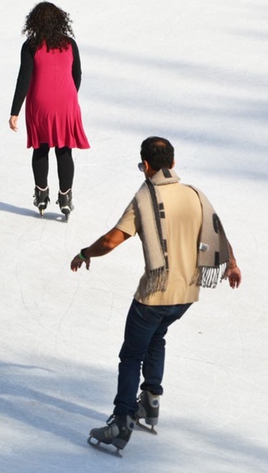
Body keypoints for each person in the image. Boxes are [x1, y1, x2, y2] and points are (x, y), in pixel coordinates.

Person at [71, 136, 241, 454]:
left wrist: (85, 253)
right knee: (156, 338)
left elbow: (111, 240)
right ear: (173, 164)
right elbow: (219, 232)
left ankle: (121, 422)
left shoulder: (144, 198)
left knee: (131, 355)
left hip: (154, 295)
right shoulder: (195, 195)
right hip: (187, 294)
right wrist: (231, 264)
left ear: (146, 166)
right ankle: (150, 402)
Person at [9, 2, 90, 220]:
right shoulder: (70, 44)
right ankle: (65, 197)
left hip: (40, 104)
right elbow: (77, 74)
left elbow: (23, 80)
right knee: (64, 150)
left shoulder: (31, 46)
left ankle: (41, 194)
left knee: (41, 148)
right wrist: (69, 97)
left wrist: (14, 111)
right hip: (66, 103)